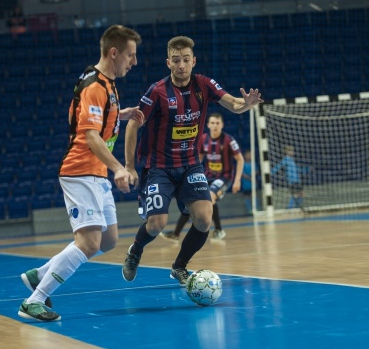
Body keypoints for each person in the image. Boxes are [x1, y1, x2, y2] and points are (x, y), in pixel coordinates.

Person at [17, 25, 143, 322]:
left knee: (109, 239)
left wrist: (120, 115)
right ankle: (33, 301)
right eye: (130, 55)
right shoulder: (95, 86)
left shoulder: (107, 83)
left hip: (96, 173)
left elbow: (92, 119)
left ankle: (41, 274)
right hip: (81, 171)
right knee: (89, 243)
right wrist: (119, 168)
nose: (133, 62)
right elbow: (90, 136)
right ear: (114, 53)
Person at [122, 36, 263, 286]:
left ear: (193, 61)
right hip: (160, 169)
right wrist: (130, 166)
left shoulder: (204, 84)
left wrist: (247, 105)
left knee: (204, 218)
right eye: (176, 60)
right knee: (156, 224)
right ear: (168, 63)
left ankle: (179, 267)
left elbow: (233, 104)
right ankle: (135, 251)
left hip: (190, 166)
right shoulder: (157, 92)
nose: (182, 65)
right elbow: (133, 124)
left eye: (186, 60)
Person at [159, 112, 244, 242]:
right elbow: (198, 159)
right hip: (207, 176)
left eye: (217, 123)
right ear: (208, 125)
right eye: (213, 123)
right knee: (193, 200)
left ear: (222, 125)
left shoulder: (229, 140)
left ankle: (219, 230)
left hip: (224, 177)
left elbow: (240, 159)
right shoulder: (204, 139)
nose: (215, 126)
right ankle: (176, 234)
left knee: (210, 197)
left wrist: (237, 179)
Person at [241, 149, 256, 214]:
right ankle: (249, 210)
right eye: (248, 155)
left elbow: (256, 171)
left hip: (253, 184)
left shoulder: (253, 164)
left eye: (250, 155)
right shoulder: (243, 164)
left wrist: (253, 176)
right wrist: (250, 178)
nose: (249, 156)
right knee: (247, 196)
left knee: (254, 196)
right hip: (246, 184)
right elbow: (242, 174)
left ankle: (256, 209)